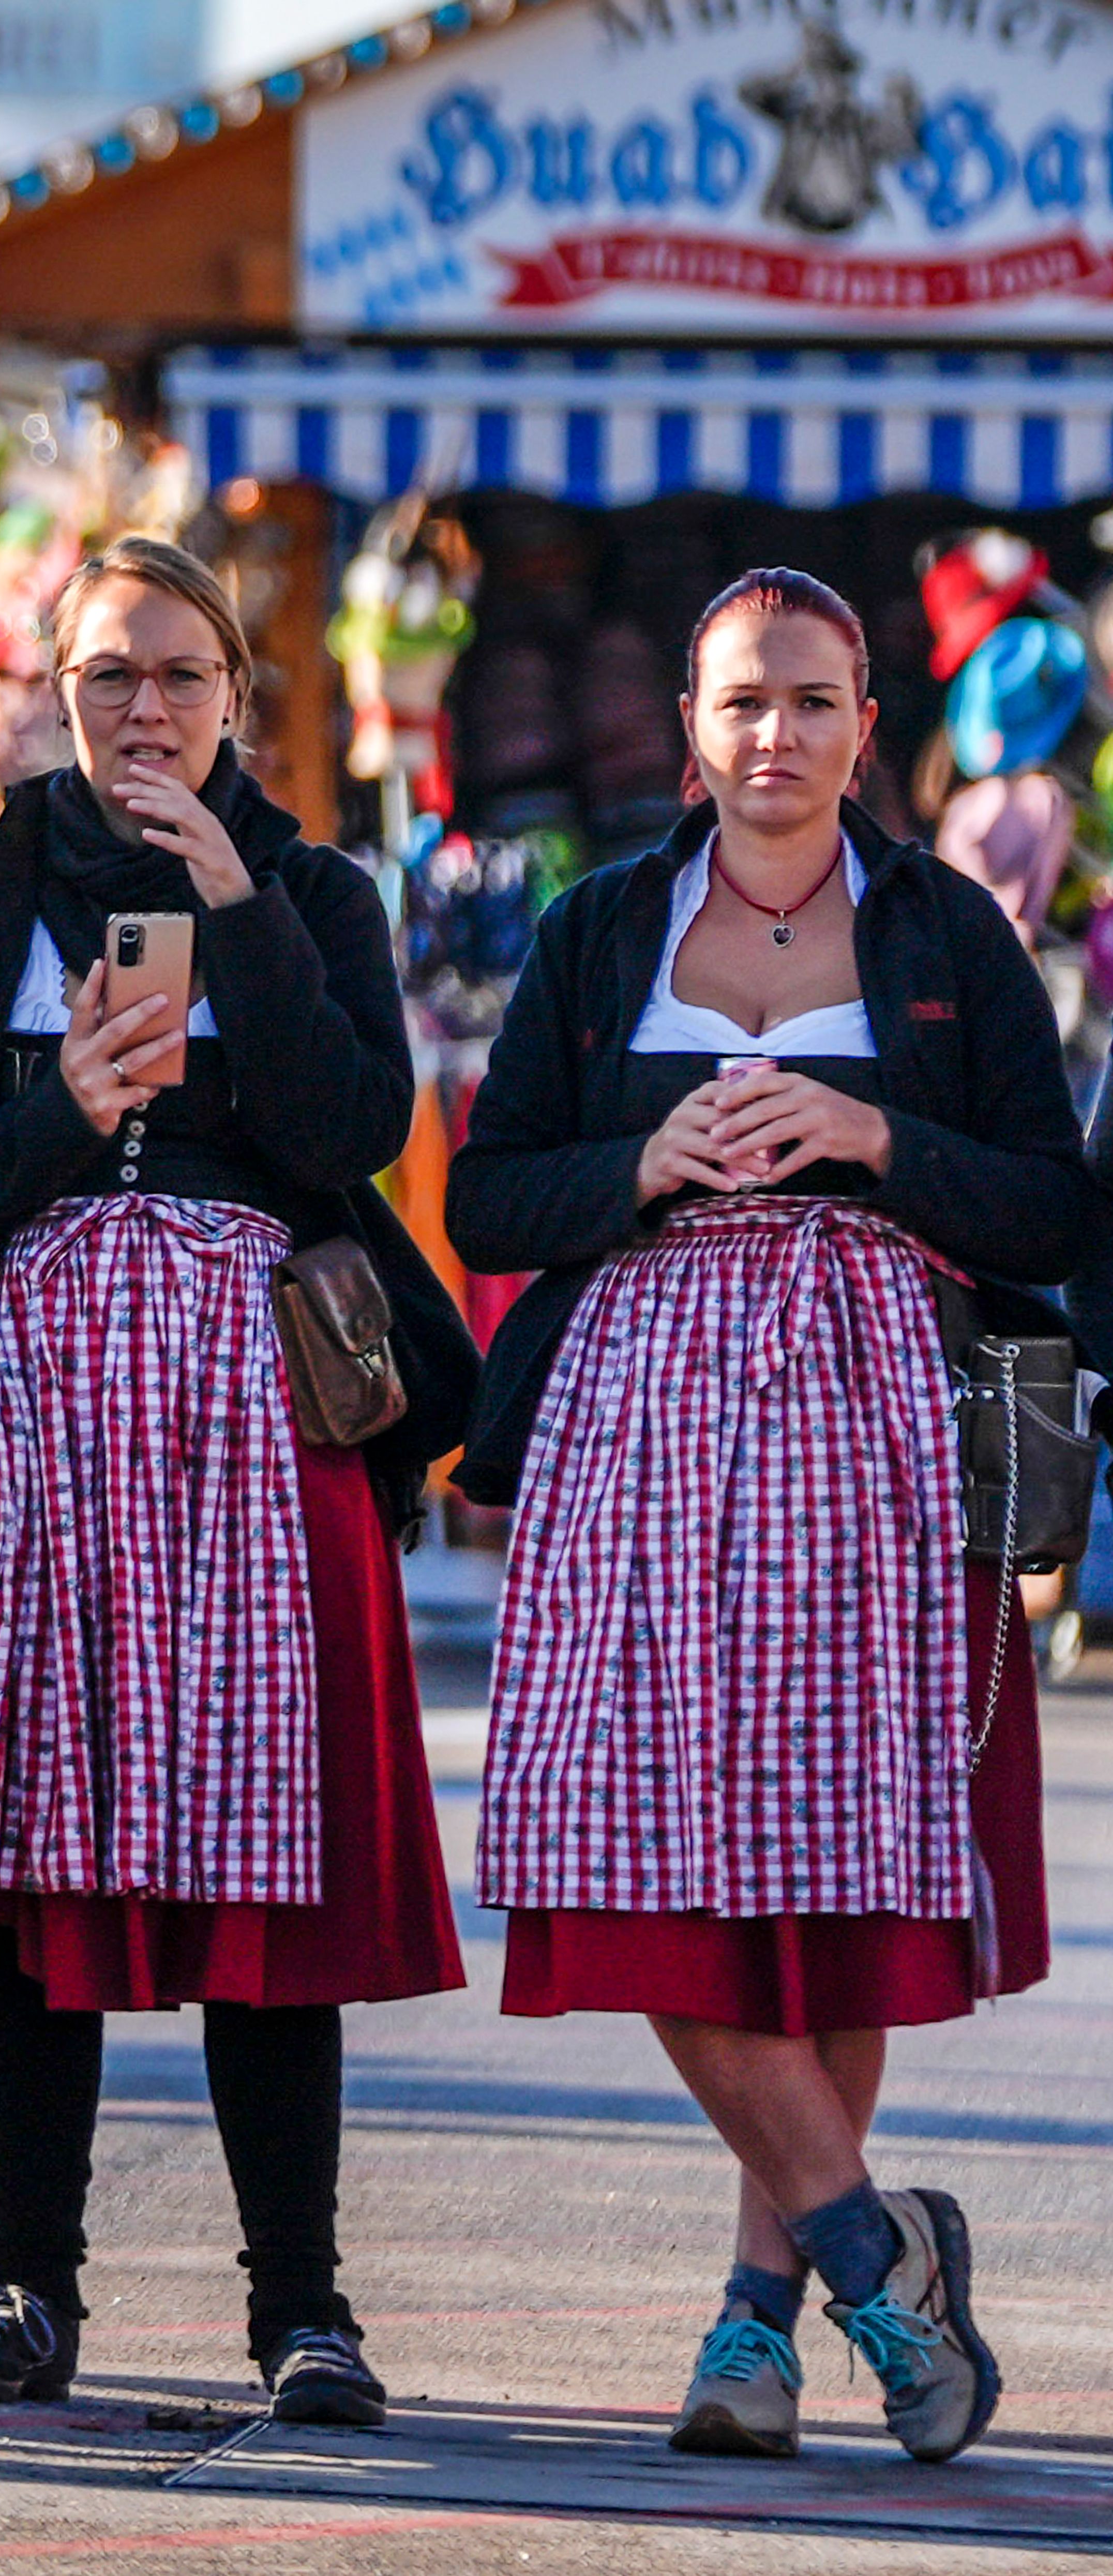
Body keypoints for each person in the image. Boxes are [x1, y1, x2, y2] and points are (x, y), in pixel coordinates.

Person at [448, 568, 1092, 2466]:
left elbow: (1054, 1207)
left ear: (867, 722)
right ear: (691, 720)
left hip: (876, 1444)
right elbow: (489, 1204)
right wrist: (642, 1161)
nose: (775, 738)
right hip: (638, 1447)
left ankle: (768, 2318)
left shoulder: (942, 932)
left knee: (834, 1880)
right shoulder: (594, 928)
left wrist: (879, 1138)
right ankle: (862, 2236)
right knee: (628, 1863)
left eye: (813, 702)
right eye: (743, 702)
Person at [0, 534, 474, 2426]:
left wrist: (237, 909)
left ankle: (306, 2301)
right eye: (108, 675)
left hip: (258, 1440)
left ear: (234, 700)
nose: (142, 711)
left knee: (265, 1866)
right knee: (32, 1869)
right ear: (53, 690)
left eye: (179, 675)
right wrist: (66, 1111)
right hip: (21, 1439)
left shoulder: (312, 892)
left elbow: (358, 1126)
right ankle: (25, 2276)